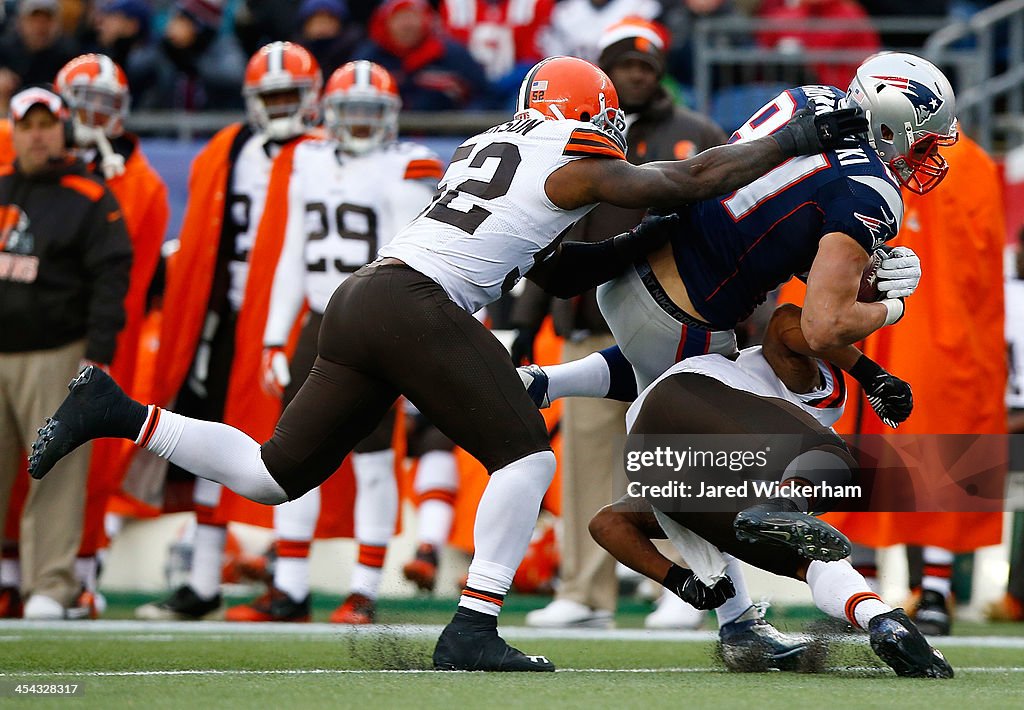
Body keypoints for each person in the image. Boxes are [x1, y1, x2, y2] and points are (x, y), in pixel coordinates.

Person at [29, 55, 865, 669]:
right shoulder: (572, 158)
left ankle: (117, 412)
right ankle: (472, 626)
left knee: (273, 474)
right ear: (583, 113)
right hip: (419, 304)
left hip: (360, 302)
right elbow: (688, 180)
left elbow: (559, 269)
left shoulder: (488, 150)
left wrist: (649, 239)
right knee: (528, 456)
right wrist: (792, 138)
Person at [520, 52, 957, 555]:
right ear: (888, 126)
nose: (927, 159)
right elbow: (822, 326)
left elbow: (777, 219)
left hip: (637, 272)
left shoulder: (807, 100)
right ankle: (742, 617)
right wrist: (894, 305)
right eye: (923, 143)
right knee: (741, 475)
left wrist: (860, 267)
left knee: (711, 414)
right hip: (686, 316)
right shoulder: (872, 189)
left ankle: (549, 381)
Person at [588, 303, 952, 678]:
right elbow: (787, 322)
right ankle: (791, 521)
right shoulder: (785, 385)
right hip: (692, 408)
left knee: (810, 556)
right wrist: (871, 373)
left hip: (654, 457)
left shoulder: (780, 409)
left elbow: (607, 524)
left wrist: (678, 581)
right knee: (832, 463)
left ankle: (878, 619)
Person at [514, 18, 730, 632]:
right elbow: (544, 232)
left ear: (660, 72)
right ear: (604, 70)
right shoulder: (567, 135)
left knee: (675, 457)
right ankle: (585, 592)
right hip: (589, 320)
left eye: (645, 65)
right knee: (585, 461)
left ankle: (690, 582)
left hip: (674, 323)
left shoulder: (698, 135)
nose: (636, 74)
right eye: (623, 64)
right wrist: (529, 322)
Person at [224, 60, 443, 624]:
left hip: (376, 323)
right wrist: (276, 336)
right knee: (287, 455)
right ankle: (289, 588)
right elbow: (293, 256)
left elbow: (421, 259)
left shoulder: (407, 168)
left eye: (374, 112)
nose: (364, 124)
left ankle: (364, 591)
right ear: (330, 112)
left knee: (372, 462)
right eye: (354, 111)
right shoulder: (308, 161)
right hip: (319, 322)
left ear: (391, 116)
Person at [131, 41, 322, 621]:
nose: (282, 106)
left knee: (297, 440)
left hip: (297, 315)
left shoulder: (324, 154)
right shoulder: (228, 148)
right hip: (226, 314)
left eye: (290, 94)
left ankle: (293, 579)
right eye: (272, 96)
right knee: (212, 433)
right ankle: (204, 577)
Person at [0, 85, 131, 620]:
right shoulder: (2, 185)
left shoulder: (91, 194)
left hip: (56, 351)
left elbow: (111, 277)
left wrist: (98, 354)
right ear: (13, 132)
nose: (36, 135)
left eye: (45, 124)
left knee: (55, 470)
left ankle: (49, 587)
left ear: (63, 130)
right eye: (26, 125)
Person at [50, 53, 169, 616]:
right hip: (33, 326)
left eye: (105, 105)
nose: (94, 115)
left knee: (93, 460)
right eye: (83, 102)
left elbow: (132, 276)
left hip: (99, 336)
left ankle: (81, 573)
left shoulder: (141, 183)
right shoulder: (26, 157)